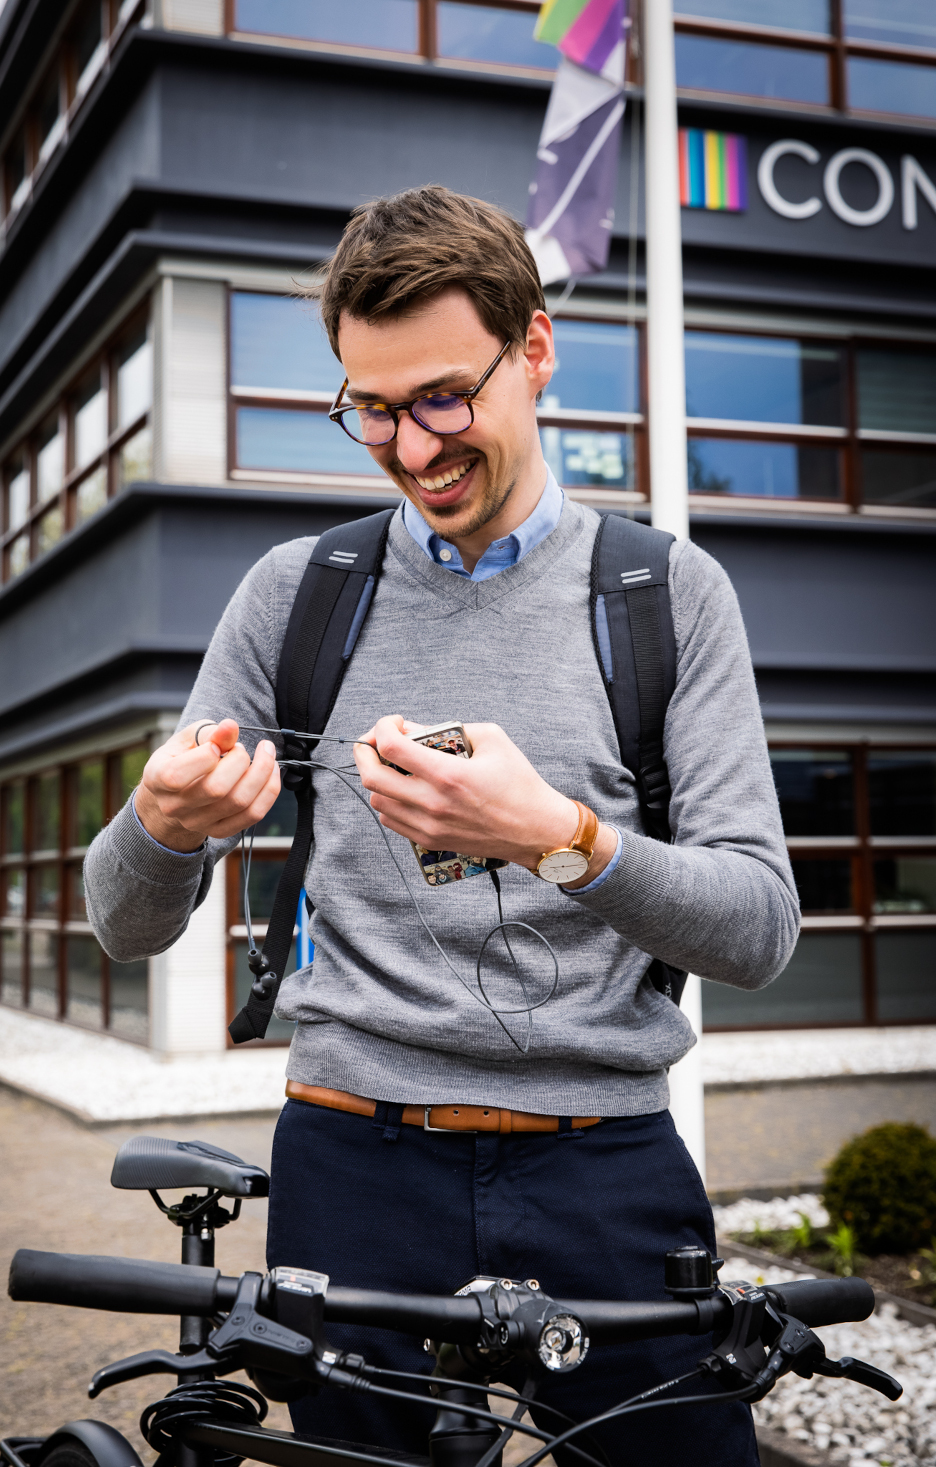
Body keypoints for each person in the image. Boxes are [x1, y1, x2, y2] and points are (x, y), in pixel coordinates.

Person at [84, 186, 799, 1466]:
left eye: (440, 399)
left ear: (533, 349)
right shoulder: (296, 596)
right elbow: (123, 921)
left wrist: (559, 837)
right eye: (370, 408)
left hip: (606, 1161)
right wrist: (162, 822)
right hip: (354, 1158)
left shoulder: (666, 595)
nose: (412, 449)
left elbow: (758, 929)